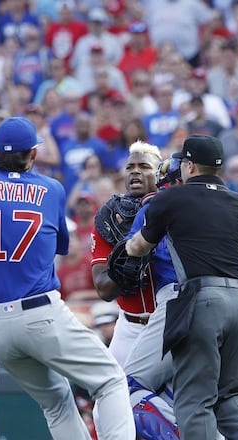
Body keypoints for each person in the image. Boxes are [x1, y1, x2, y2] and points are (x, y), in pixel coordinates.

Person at [0, 117, 135, 440]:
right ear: (33, 154)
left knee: (56, 401)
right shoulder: (52, 189)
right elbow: (60, 244)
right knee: (111, 379)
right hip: (39, 311)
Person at [126, 135, 238, 439]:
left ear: (188, 165)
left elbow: (138, 247)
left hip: (202, 302)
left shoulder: (170, 198)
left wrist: (126, 247)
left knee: (194, 400)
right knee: (230, 397)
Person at [91, 141, 161, 367]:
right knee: (107, 398)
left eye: (144, 166)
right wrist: (127, 264)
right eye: (130, 167)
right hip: (129, 326)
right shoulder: (110, 217)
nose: (136, 171)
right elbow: (104, 289)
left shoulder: (179, 211)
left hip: (168, 324)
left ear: (160, 172)